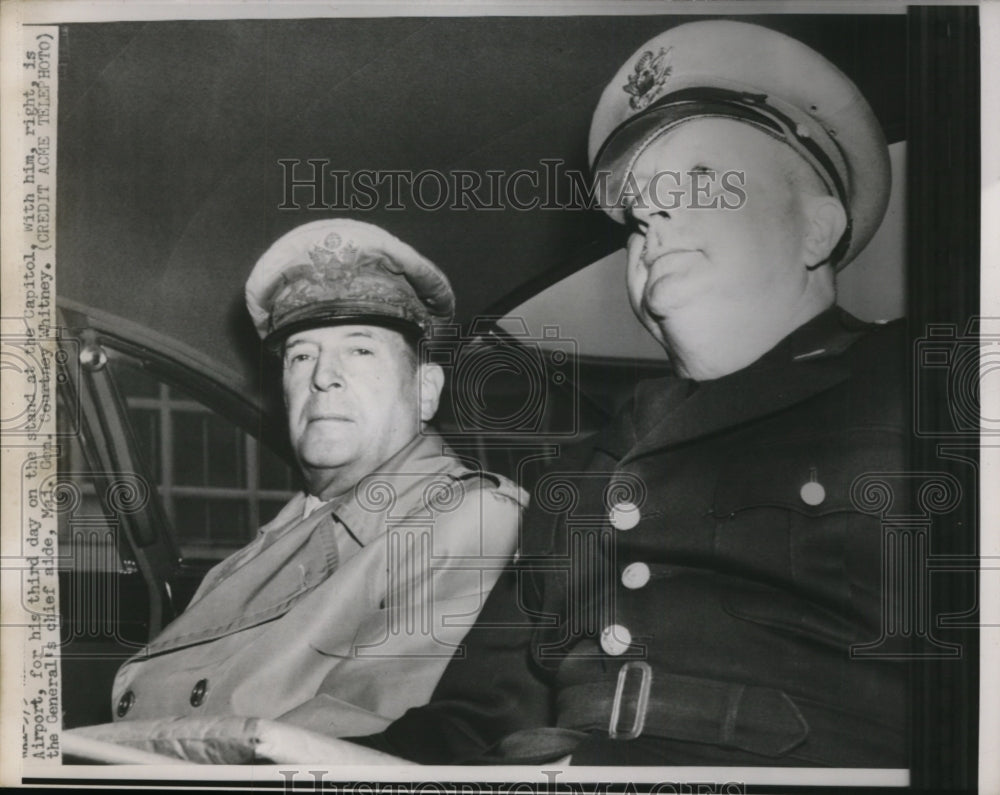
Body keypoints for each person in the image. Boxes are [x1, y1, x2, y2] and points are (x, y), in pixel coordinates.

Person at [346, 20, 908, 767]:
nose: (650, 220)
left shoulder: (917, 386)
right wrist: (269, 760)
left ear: (817, 228)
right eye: (640, 211)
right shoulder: (573, 479)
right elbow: (466, 727)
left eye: (703, 182)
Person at [103, 219, 526, 739]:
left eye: (360, 349)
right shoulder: (274, 539)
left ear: (425, 391)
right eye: (302, 355)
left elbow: (365, 745)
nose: (323, 376)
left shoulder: (473, 520)